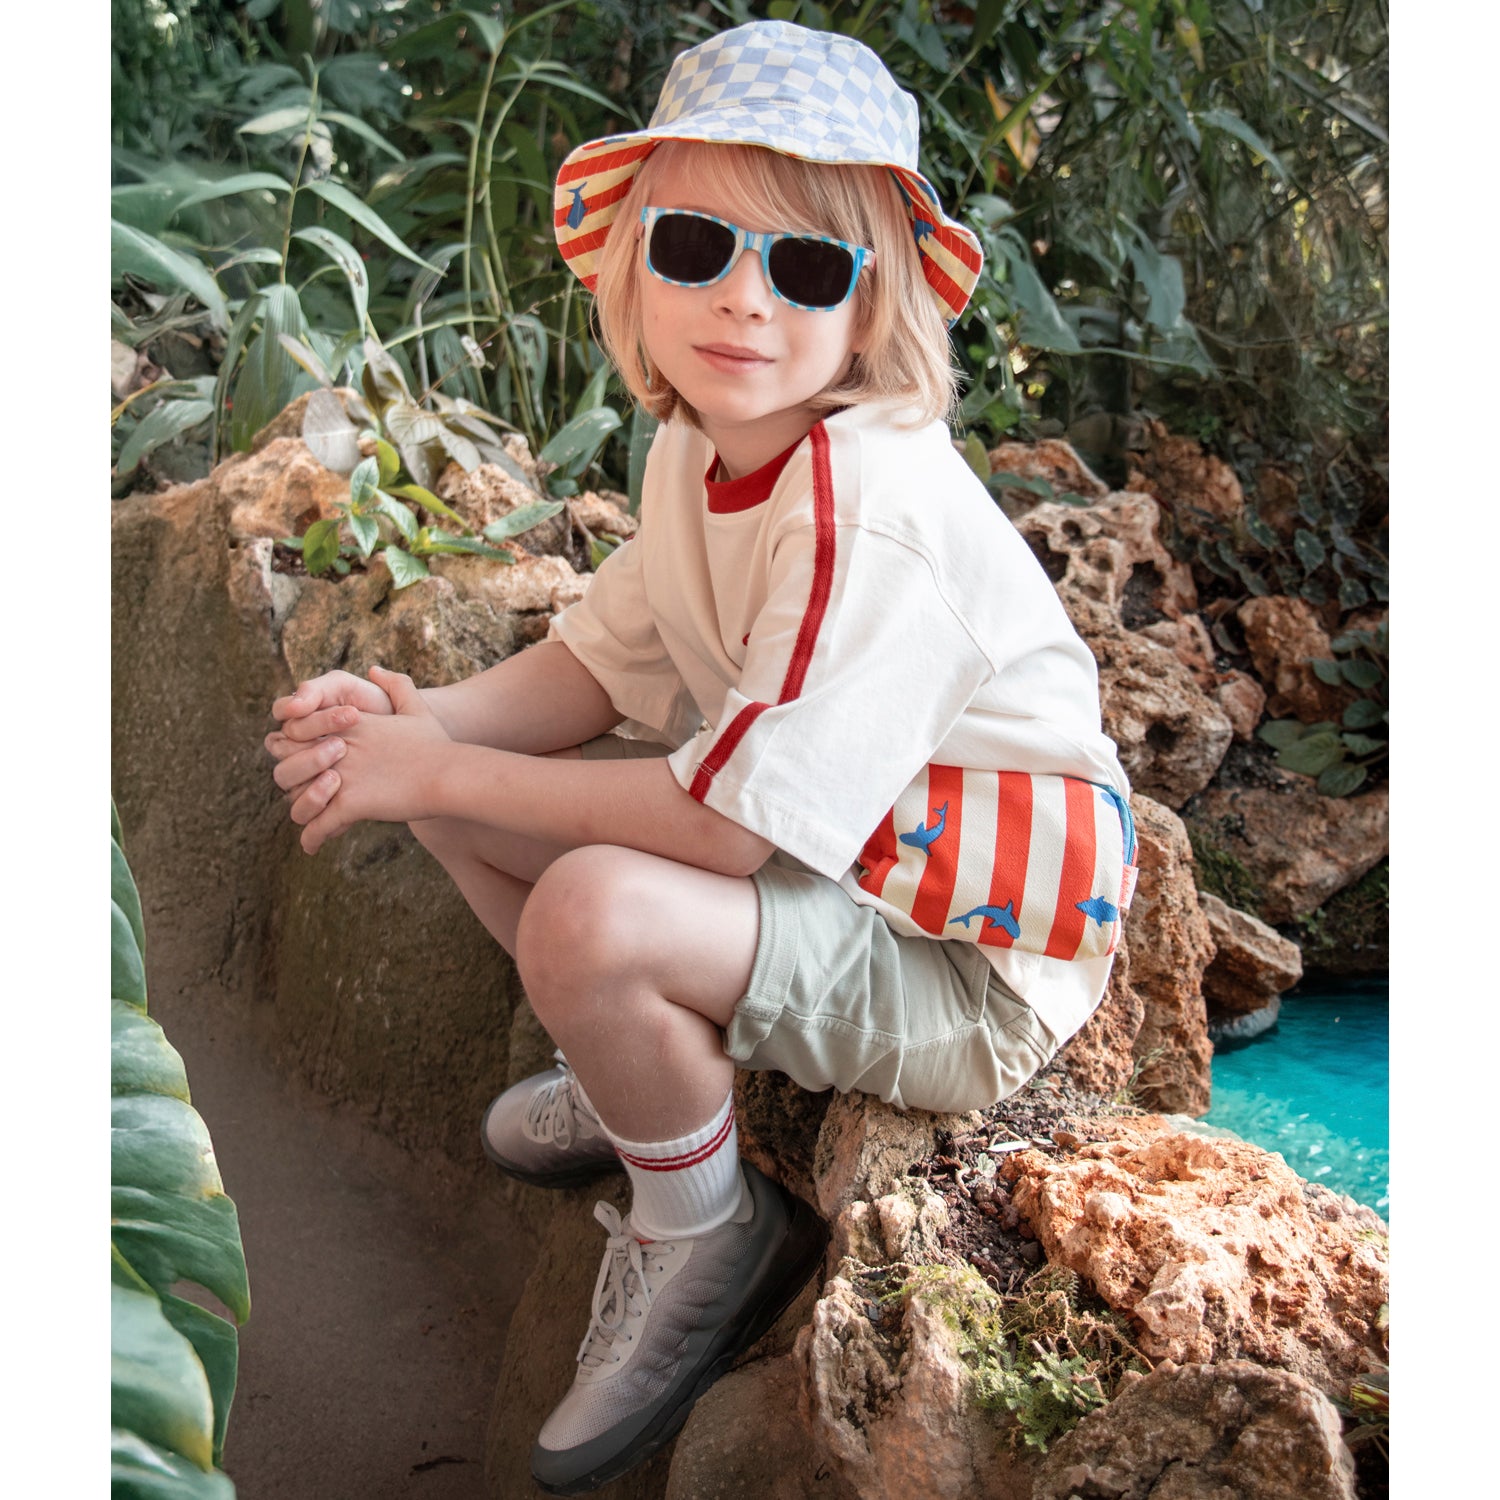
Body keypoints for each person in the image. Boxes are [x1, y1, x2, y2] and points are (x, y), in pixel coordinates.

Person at [265, 19, 1134, 1495]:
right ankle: (637, 1083)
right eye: (695, 245)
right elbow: (604, 660)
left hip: (965, 956)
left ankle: (703, 1226)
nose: (742, 296)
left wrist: (438, 773)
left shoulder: (872, 509)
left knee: (586, 907)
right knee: (458, 801)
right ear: (635, 264)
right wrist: (420, 729)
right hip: (844, 859)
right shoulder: (705, 447)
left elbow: (733, 831)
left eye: (806, 267)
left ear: (873, 305)